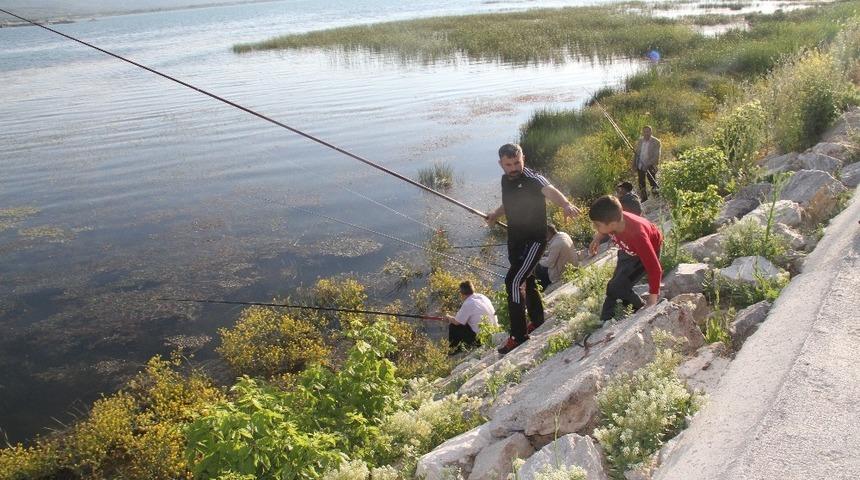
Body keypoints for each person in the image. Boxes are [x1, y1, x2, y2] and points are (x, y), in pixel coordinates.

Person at [485, 143, 580, 354]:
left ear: (523, 159)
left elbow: (550, 190)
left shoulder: (533, 178)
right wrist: (495, 214)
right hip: (515, 240)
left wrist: (565, 204)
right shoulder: (505, 180)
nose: (514, 168)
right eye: (509, 164)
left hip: (534, 242)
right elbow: (508, 204)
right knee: (527, 278)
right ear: (501, 164)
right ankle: (537, 319)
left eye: (517, 162)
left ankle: (518, 336)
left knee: (513, 281)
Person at [588, 195, 663, 322]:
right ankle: (605, 321)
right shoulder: (615, 221)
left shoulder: (638, 235)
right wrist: (598, 237)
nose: (595, 228)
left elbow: (655, 269)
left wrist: (652, 301)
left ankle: (642, 310)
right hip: (628, 250)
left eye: (597, 225)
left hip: (644, 253)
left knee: (620, 287)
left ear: (611, 224)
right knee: (613, 286)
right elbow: (605, 227)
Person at [444, 280, 497, 352]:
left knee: (453, 326)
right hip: (495, 331)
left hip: (483, 338)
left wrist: (448, 317)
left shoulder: (468, 303)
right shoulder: (482, 296)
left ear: (462, 293)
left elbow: (456, 322)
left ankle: (454, 350)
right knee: (466, 321)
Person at [535, 224, 577, 291]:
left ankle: (543, 288)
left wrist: (538, 259)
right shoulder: (563, 235)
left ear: (548, 233)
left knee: (537, 267)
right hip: (573, 265)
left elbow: (549, 263)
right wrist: (543, 254)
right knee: (541, 262)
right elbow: (553, 253)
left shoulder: (555, 244)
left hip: (563, 272)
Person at [633, 126, 661, 201]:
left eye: (648, 131)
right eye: (644, 132)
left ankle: (656, 198)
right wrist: (634, 165)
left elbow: (656, 156)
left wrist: (648, 164)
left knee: (652, 181)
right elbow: (636, 153)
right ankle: (644, 198)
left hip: (651, 165)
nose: (646, 133)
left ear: (651, 132)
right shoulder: (640, 141)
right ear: (643, 132)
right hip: (640, 165)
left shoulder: (656, 142)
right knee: (641, 183)